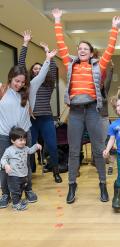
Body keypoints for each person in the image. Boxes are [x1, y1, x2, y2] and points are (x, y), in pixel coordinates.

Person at [52, 8, 120, 204]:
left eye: (85, 48)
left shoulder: (98, 66)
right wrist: (58, 20)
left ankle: (102, 184)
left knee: (99, 149)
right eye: (79, 48)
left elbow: (110, 49)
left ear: (91, 53)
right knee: (74, 151)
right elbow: (60, 44)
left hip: (93, 110)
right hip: (75, 112)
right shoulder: (70, 65)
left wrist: (114, 29)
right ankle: (72, 185)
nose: (81, 50)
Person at [0, 48, 56, 209]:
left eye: (22, 82)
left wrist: (48, 59)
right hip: (4, 135)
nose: (19, 84)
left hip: (24, 134)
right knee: (5, 165)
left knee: (24, 164)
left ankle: (28, 190)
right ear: (11, 78)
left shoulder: (29, 90)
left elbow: (41, 76)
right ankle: (5, 193)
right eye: (16, 81)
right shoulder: (2, 89)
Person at [18, 30, 62, 183]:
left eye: (39, 68)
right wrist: (25, 43)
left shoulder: (49, 85)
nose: (37, 70)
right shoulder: (28, 85)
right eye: (35, 68)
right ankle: (30, 171)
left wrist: (47, 53)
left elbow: (52, 68)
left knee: (52, 145)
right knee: (28, 146)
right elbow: (21, 65)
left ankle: (56, 172)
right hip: (31, 120)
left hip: (46, 119)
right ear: (31, 72)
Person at [0, 127, 42, 211]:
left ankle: (18, 201)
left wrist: (36, 146)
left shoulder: (25, 148)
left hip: (23, 174)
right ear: (12, 141)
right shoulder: (9, 150)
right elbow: (3, 159)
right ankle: (16, 205)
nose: (23, 142)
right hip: (13, 176)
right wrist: (6, 165)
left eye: (24, 140)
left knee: (21, 189)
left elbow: (30, 150)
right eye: (20, 140)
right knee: (15, 191)